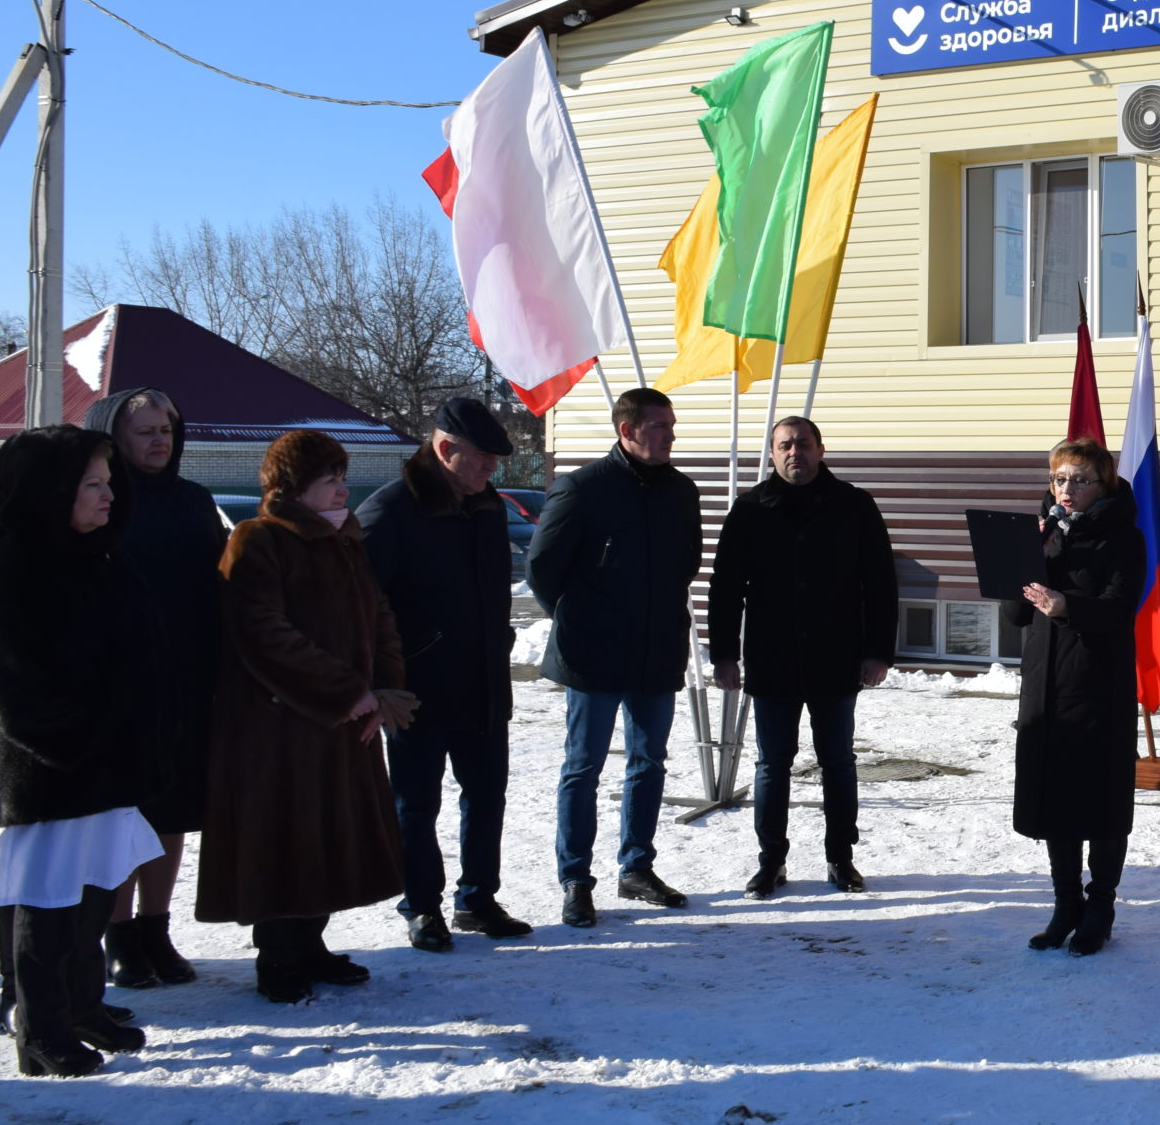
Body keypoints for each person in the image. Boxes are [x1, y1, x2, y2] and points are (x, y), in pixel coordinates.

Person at [0, 426, 168, 1076]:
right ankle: (40, 1028)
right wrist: (76, 744)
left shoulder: (100, 554)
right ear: (53, 490)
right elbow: (13, 682)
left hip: (106, 764)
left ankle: (83, 1003)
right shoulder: (8, 562)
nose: (110, 495)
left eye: (111, 483)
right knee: (45, 901)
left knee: (95, 894)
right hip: (48, 770)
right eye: (93, 484)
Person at [194, 431, 409, 1004]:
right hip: (278, 729)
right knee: (284, 837)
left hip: (341, 724)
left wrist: (384, 687)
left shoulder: (344, 539)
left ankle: (311, 943)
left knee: (330, 836)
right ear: (292, 488)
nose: (342, 487)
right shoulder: (258, 539)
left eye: (342, 476)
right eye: (328, 479)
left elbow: (378, 614)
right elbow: (263, 633)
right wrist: (344, 691)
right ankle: (278, 957)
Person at [358, 397, 530, 950]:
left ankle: (478, 898)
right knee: (416, 804)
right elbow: (362, 609)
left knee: (486, 795)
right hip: (418, 689)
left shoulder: (484, 507)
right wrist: (383, 681)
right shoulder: (390, 513)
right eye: (481, 458)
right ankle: (422, 906)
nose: (491, 470)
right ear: (443, 449)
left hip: (482, 682)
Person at [531, 387, 703, 927]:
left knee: (648, 763)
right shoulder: (582, 489)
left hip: (655, 653)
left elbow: (687, 564)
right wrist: (583, 617)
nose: (670, 436)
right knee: (582, 767)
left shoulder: (680, 491)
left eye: (672, 426)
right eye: (659, 426)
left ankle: (637, 867)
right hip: (593, 655)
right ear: (626, 431)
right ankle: (576, 880)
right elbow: (542, 571)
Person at [709, 415, 897, 896]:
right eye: (786, 445)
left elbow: (880, 584)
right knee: (773, 764)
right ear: (772, 454)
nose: (796, 452)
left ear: (821, 448)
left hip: (837, 657)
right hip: (773, 660)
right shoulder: (750, 509)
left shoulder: (855, 506)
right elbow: (726, 588)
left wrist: (878, 651)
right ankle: (771, 860)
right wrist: (724, 654)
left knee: (838, 762)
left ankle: (841, 858)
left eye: (805, 444)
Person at [83, 387, 225, 991]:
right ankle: (117, 936)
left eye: (166, 428)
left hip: (187, 680)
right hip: (118, 685)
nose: (159, 440)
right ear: (112, 436)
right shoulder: (100, 503)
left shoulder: (194, 500)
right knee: (123, 813)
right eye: (145, 431)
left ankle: (155, 927)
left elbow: (220, 582)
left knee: (172, 810)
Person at [1002, 438, 1149, 955]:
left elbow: (1118, 609)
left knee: (1100, 798)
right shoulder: (1042, 534)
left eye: (1080, 480)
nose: (1067, 490)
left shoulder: (1124, 538)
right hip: (1045, 684)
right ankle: (1066, 904)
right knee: (1054, 796)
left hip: (1097, 686)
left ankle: (1100, 907)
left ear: (1102, 483)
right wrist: (1023, 565)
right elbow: (1016, 616)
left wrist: (1068, 606)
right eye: (1060, 479)